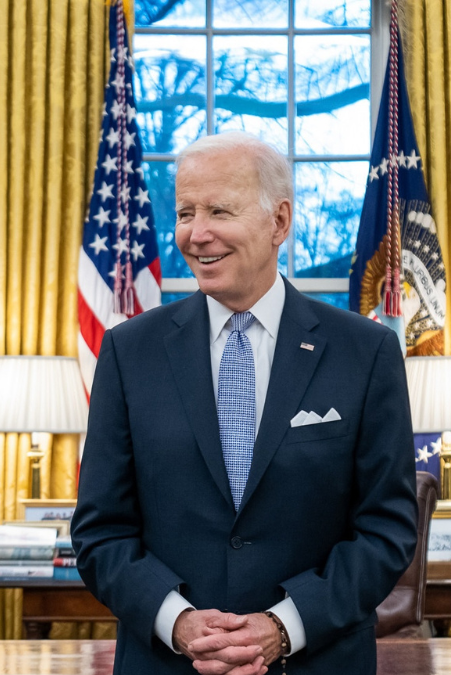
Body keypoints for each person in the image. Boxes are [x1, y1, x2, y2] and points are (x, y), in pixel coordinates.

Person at [72, 132, 418, 675]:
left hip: (318, 660)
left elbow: (386, 529)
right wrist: (180, 623)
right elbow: (100, 532)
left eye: (219, 211)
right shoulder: (126, 351)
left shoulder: (366, 350)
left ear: (279, 222)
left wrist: (283, 627)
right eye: (186, 212)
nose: (197, 233)